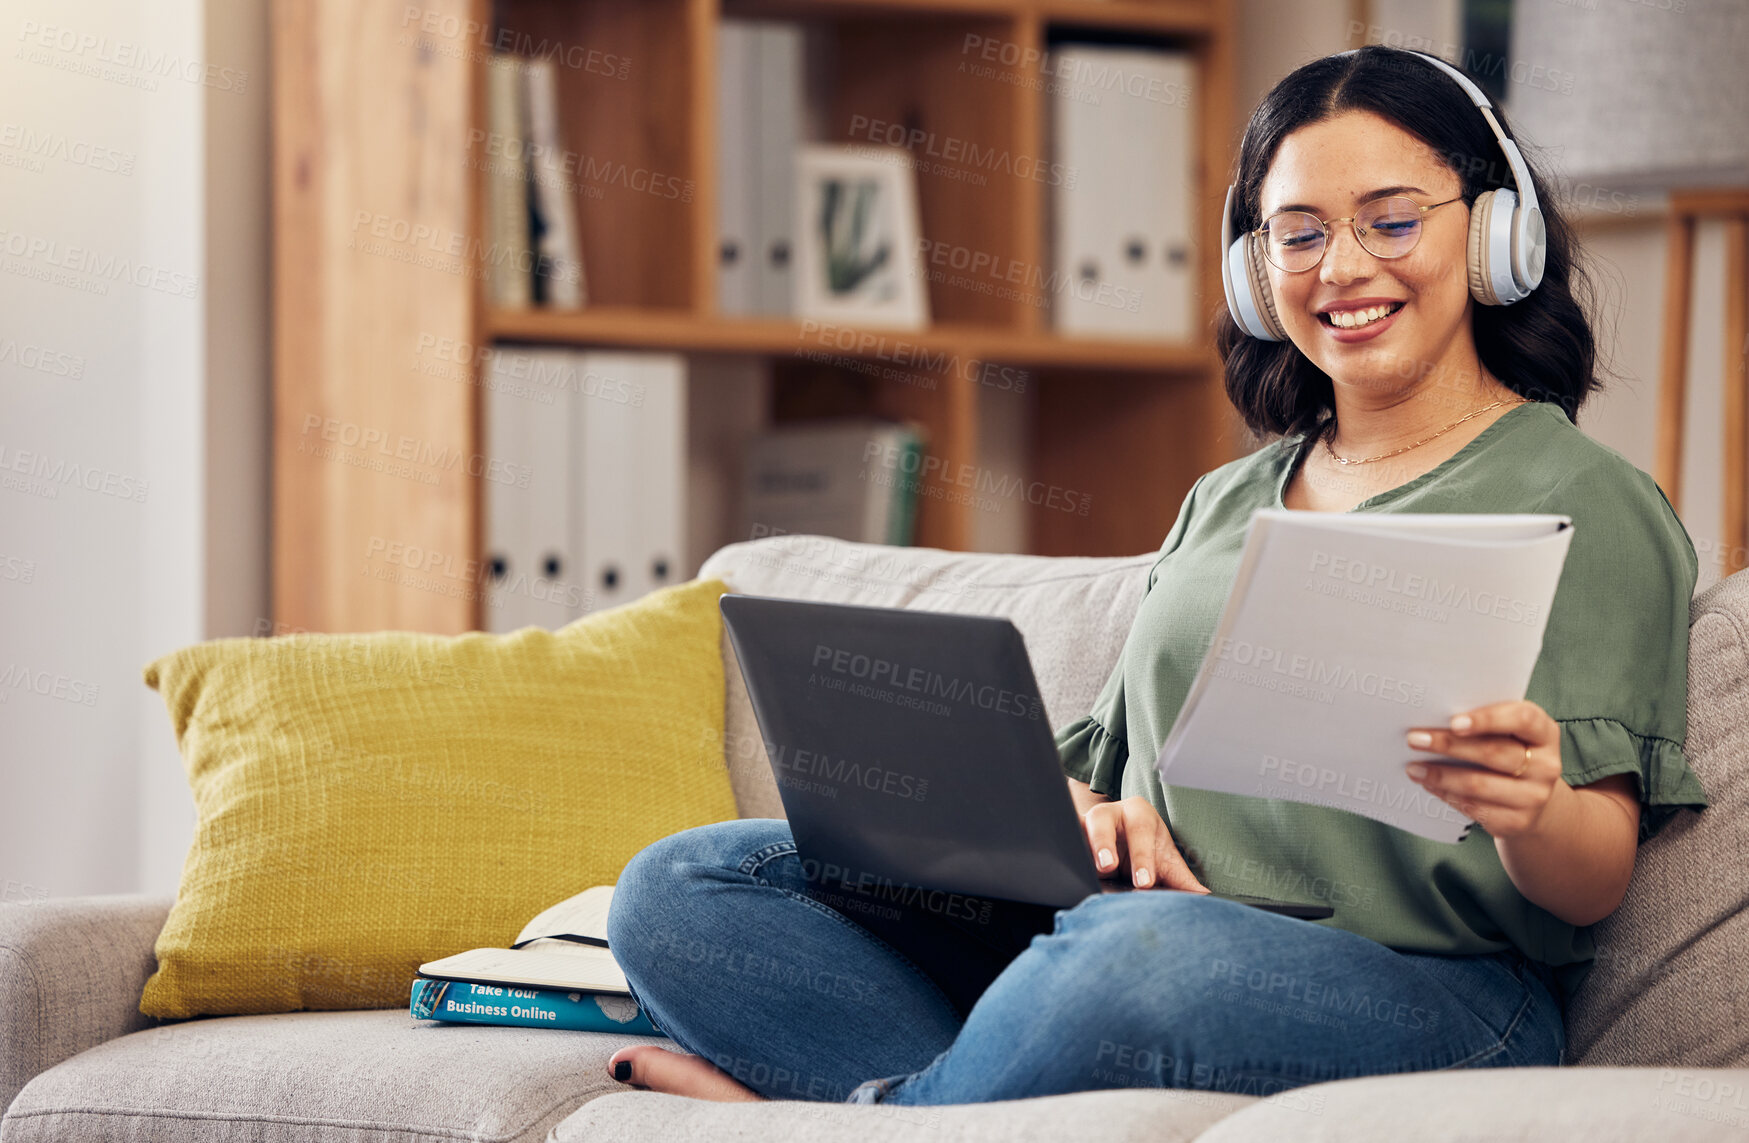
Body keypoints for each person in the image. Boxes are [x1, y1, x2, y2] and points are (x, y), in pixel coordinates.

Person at [599, 45, 1709, 1106]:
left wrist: (1528, 810)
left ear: (1494, 235)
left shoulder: (1592, 503)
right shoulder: (1228, 500)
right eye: (1299, 233)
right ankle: (924, 1102)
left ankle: (852, 1115)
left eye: (1394, 220)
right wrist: (1087, 811)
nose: (1346, 267)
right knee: (685, 887)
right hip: (1122, 928)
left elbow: (1595, 874)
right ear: (1252, 269)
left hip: (1434, 993)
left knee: (1129, 956)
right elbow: (1105, 764)